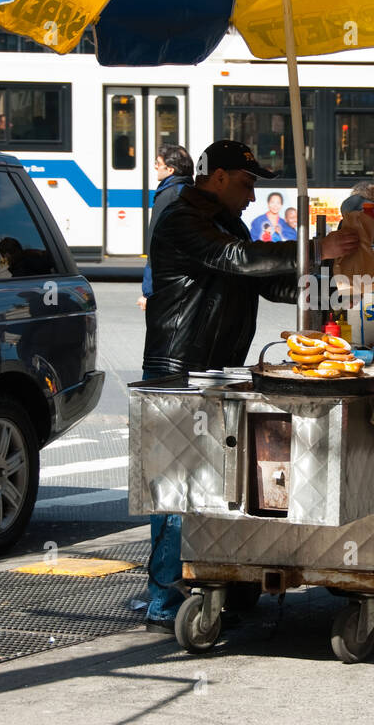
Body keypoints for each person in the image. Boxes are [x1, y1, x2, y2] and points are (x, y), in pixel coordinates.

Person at [139, 140, 357, 631]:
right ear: (216, 177)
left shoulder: (228, 223)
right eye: (246, 182)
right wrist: (315, 247)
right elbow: (239, 260)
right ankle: (166, 598)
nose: (253, 197)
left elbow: (268, 280)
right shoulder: (181, 220)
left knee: (218, 484)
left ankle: (216, 582)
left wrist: (328, 283)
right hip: (179, 369)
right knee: (177, 488)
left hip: (218, 368)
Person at [139, 143, 194, 312]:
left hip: (168, 286)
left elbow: (155, 245)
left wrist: (149, 293)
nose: (155, 166)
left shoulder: (169, 196)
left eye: (158, 163)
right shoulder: (189, 190)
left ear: (170, 170)